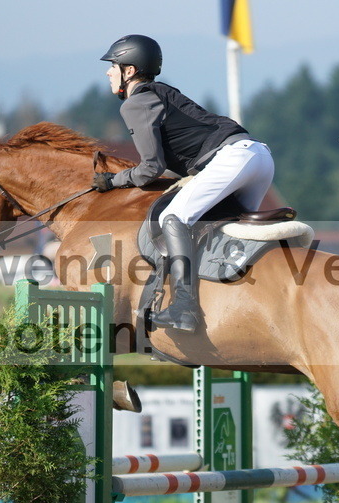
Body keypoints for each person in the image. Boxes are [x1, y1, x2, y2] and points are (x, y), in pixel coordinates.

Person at [94, 34, 275, 333]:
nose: (108, 71)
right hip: (258, 157)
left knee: (172, 217)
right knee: (221, 231)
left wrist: (114, 180)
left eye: (113, 65)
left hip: (232, 160)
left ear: (130, 70)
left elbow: (151, 167)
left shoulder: (136, 102)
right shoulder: (162, 92)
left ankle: (184, 308)